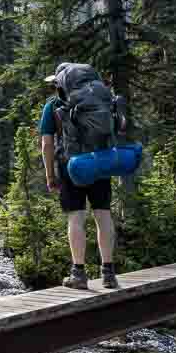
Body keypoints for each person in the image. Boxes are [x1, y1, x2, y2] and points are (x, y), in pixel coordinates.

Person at [39, 72, 119, 290]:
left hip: (71, 166)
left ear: (60, 84)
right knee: (103, 215)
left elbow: (47, 144)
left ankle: (79, 273)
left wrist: (50, 176)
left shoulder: (52, 105)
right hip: (99, 163)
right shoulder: (101, 99)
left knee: (76, 217)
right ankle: (109, 273)